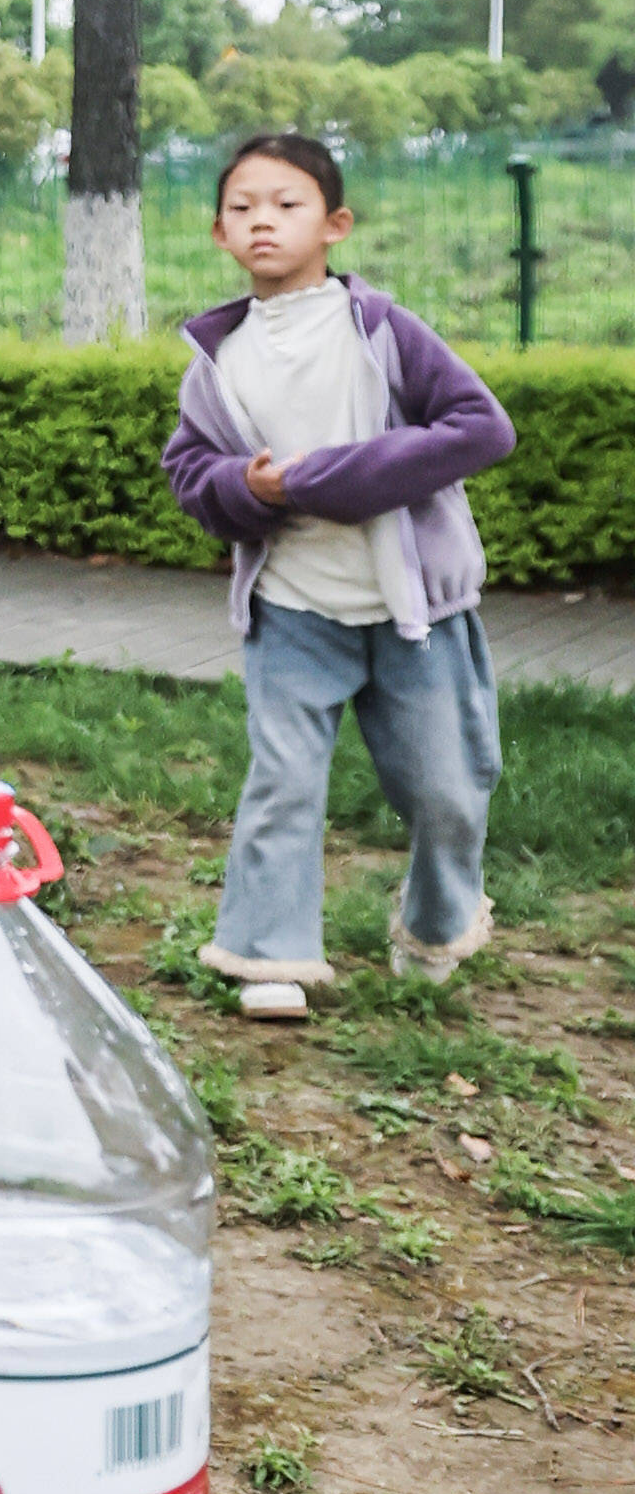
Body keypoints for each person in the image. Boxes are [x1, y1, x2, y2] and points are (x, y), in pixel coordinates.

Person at [168, 132, 513, 1022]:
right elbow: (191, 470)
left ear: (335, 224)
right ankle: (268, 953)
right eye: (242, 208)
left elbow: (482, 428)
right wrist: (246, 488)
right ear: (219, 233)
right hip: (292, 607)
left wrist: (326, 478)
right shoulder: (218, 357)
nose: (263, 222)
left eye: (287, 205)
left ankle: (435, 927)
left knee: (448, 790)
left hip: (417, 614)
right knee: (283, 783)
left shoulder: (384, 331)